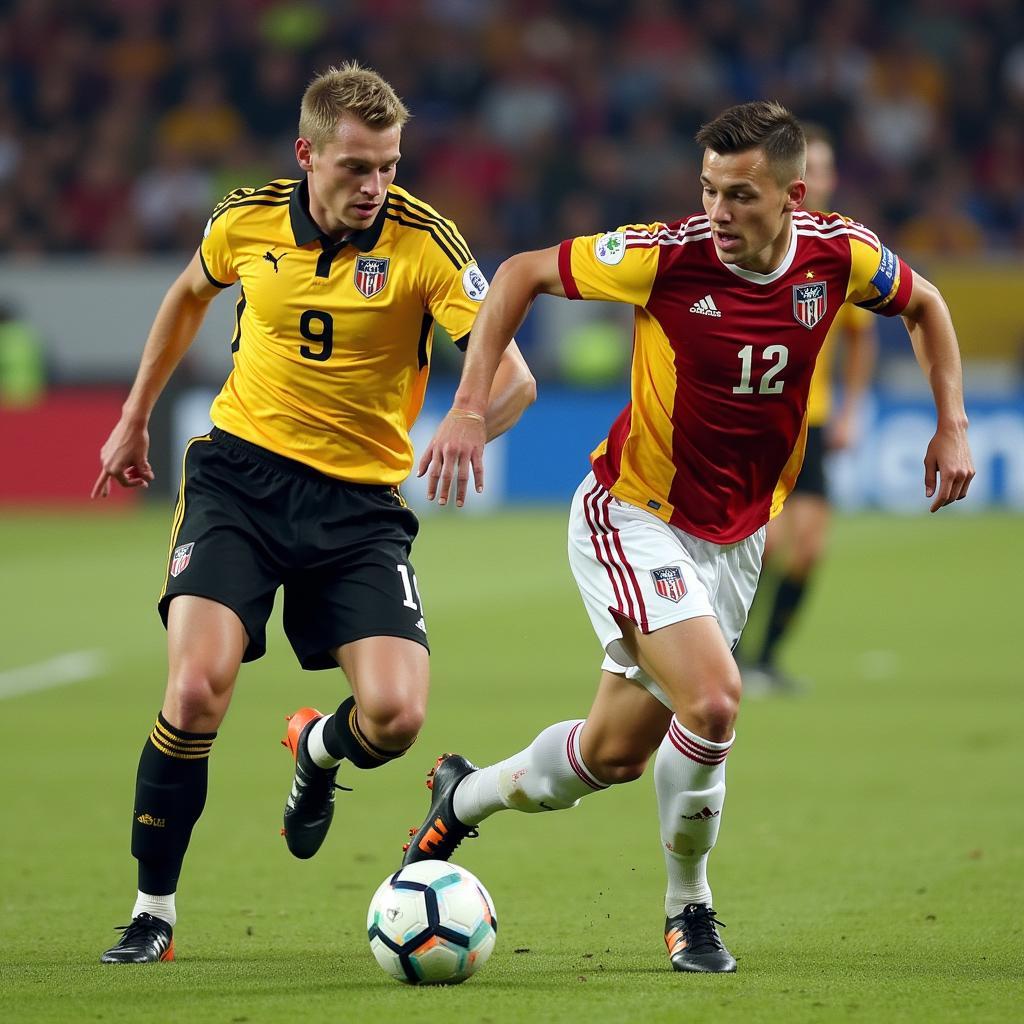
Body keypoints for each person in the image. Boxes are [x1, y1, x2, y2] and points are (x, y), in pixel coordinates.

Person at [401, 101, 974, 974]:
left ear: (793, 194)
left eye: (741, 195)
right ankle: (688, 910)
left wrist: (952, 423)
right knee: (714, 702)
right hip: (632, 514)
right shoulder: (662, 257)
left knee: (612, 755)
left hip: (737, 535)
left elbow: (926, 303)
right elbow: (516, 273)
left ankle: (464, 796)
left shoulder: (839, 252)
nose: (719, 211)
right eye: (708, 189)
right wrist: (470, 409)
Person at [92, 62, 535, 964]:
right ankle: (153, 913)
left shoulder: (426, 244)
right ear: (307, 155)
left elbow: (513, 376)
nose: (375, 187)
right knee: (194, 689)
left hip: (360, 507)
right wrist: (134, 415)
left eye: (389, 167)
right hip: (240, 484)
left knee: (397, 717)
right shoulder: (244, 219)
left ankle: (317, 750)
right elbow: (186, 297)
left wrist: (465, 420)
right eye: (355, 168)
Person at [739, 125, 877, 693]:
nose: (815, 178)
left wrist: (851, 409)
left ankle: (766, 658)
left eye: (823, 168)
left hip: (812, 421)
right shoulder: (751, 238)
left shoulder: (842, 251)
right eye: (808, 167)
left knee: (810, 547)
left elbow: (860, 336)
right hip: (760, 422)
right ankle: (727, 655)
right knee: (764, 545)